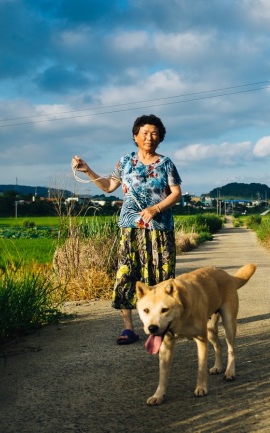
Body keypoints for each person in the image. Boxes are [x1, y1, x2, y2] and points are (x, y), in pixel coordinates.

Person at [71, 114, 182, 344]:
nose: (149, 138)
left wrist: (156, 209)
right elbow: (109, 186)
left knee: (161, 278)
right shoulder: (125, 162)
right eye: (144, 133)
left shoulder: (166, 163)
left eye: (154, 134)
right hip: (129, 229)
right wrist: (88, 170)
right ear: (135, 136)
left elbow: (176, 194)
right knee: (126, 274)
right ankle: (129, 328)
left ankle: (161, 327)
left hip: (159, 229)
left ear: (160, 138)